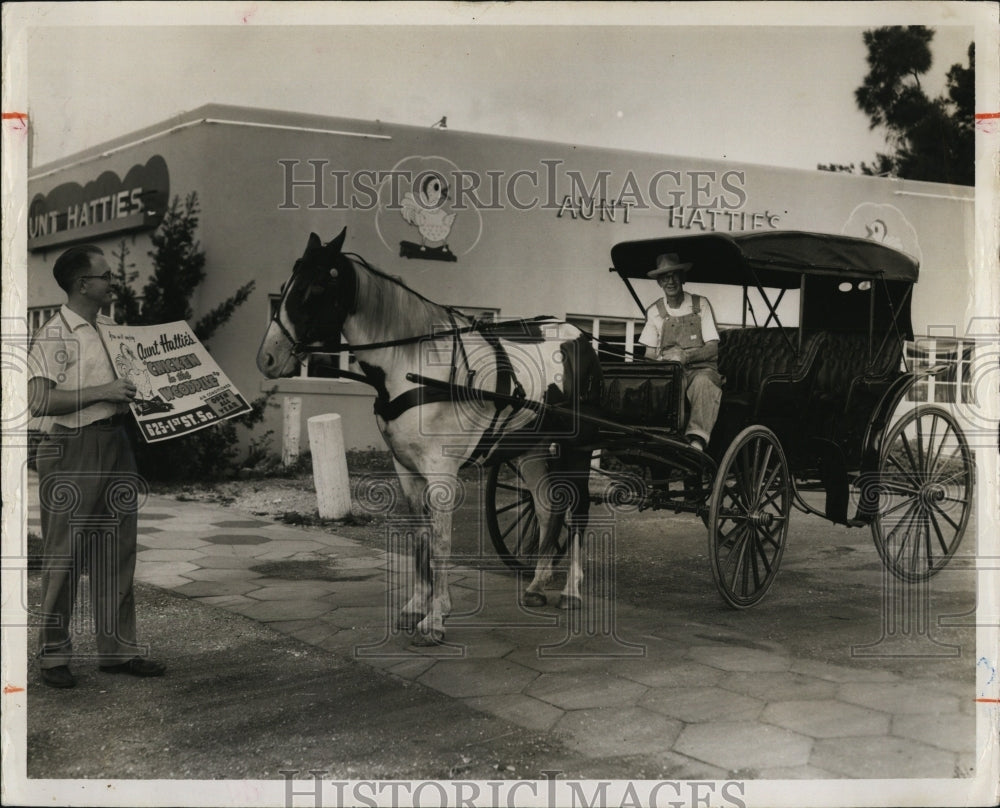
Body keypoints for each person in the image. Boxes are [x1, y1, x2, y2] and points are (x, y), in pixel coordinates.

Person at [28, 244, 166, 688]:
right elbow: (39, 400)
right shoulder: (53, 335)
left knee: (117, 549)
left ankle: (118, 651)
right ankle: (53, 656)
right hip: (71, 446)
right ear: (82, 283)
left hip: (115, 441)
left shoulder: (112, 329)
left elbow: (130, 385)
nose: (112, 282)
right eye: (105, 276)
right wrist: (104, 391)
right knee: (65, 552)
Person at [638, 252, 723, 451]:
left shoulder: (700, 304)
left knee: (703, 383)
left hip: (701, 370)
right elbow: (649, 355)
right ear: (659, 282)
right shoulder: (654, 311)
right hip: (670, 373)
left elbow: (713, 349)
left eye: (674, 275)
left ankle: (697, 441)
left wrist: (685, 356)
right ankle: (657, 440)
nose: (670, 281)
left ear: (682, 277)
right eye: (665, 277)